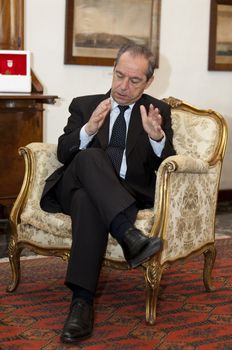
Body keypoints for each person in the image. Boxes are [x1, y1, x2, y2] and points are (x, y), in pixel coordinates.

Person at [40, 43, 176, 344]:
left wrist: (157, 138)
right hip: (71, 185)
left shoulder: (157, 111)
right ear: (113, 70)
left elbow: (168, 164)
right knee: (87, 157)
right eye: (119, 75)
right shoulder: (85, 105)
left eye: (134, 80)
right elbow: (63, 153)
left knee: (89, 201)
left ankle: (81, 303)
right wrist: (88, 129)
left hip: (119, 193)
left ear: (149, 81)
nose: (123, 86)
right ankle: (128, 234)